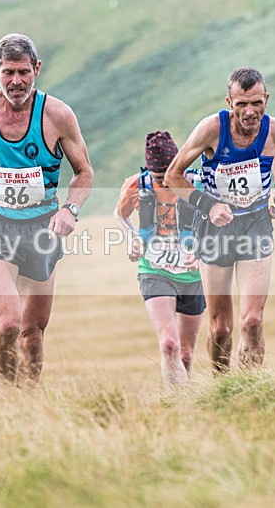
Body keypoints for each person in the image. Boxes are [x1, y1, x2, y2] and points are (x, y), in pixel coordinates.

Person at [0, 33, 94, 386]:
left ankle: (27, 399)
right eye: (8, 72)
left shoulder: (57, 115)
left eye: (23, 72)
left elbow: (84, 172)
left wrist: (69, 209)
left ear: (36, 69)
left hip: (42, 226)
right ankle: (7, 396)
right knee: (8, 322)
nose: (16, 81)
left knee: (32, 333)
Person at [164, 67, 275, 372]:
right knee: (221, 327)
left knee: (253, 321)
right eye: (241, 104)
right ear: (229, 102)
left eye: (256, 103)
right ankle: (223, 383)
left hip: (255, 223)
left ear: (266, 99)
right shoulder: (212, 129)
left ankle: (250, 386)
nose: (250, 112)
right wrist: (208, 205)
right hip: (215, 229)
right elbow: (173, 176)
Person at [114, 131, 205, 386]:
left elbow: (216, 220)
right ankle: (175, 401)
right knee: (169, 344)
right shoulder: (137, 184)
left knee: (185, 353)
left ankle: (186, 400)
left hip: (192, 275)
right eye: (158, 179)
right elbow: (120, 215)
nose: (165, 184)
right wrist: (132, 237)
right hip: (154, 269)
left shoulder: (197, 183)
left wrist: (201, 251)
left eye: (169, 177)